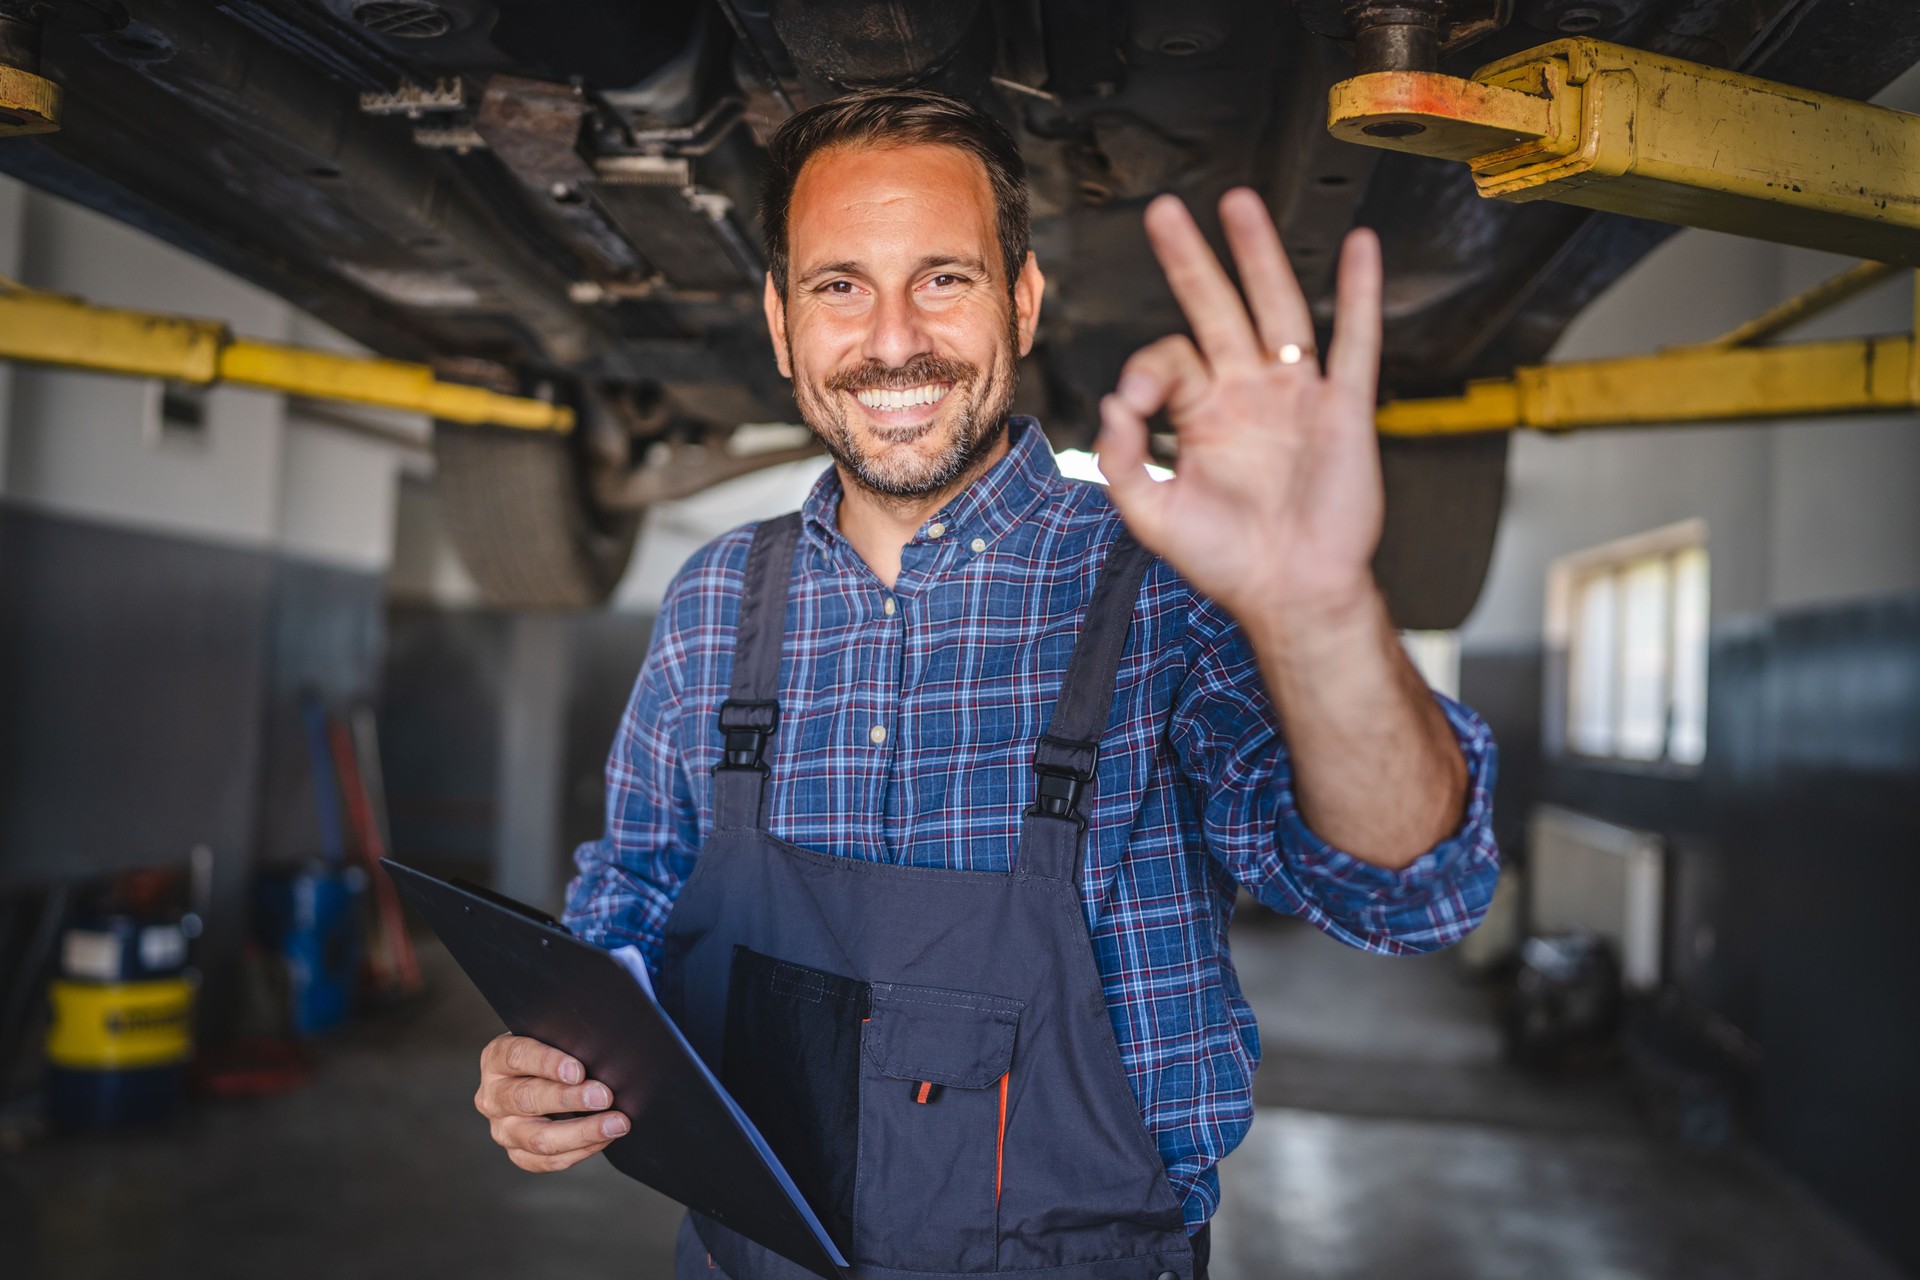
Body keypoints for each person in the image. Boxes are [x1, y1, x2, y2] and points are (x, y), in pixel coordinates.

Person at [473, 88, 1499, 1280]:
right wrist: (553, 1054)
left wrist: (1320, 610)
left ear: (1021, 298)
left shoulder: (1164, 588)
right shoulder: (716, 601)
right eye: (839, 285)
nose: (893, 338)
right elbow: (634, 893)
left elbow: (1410, 894)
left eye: (944, 278)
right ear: (779, 318)